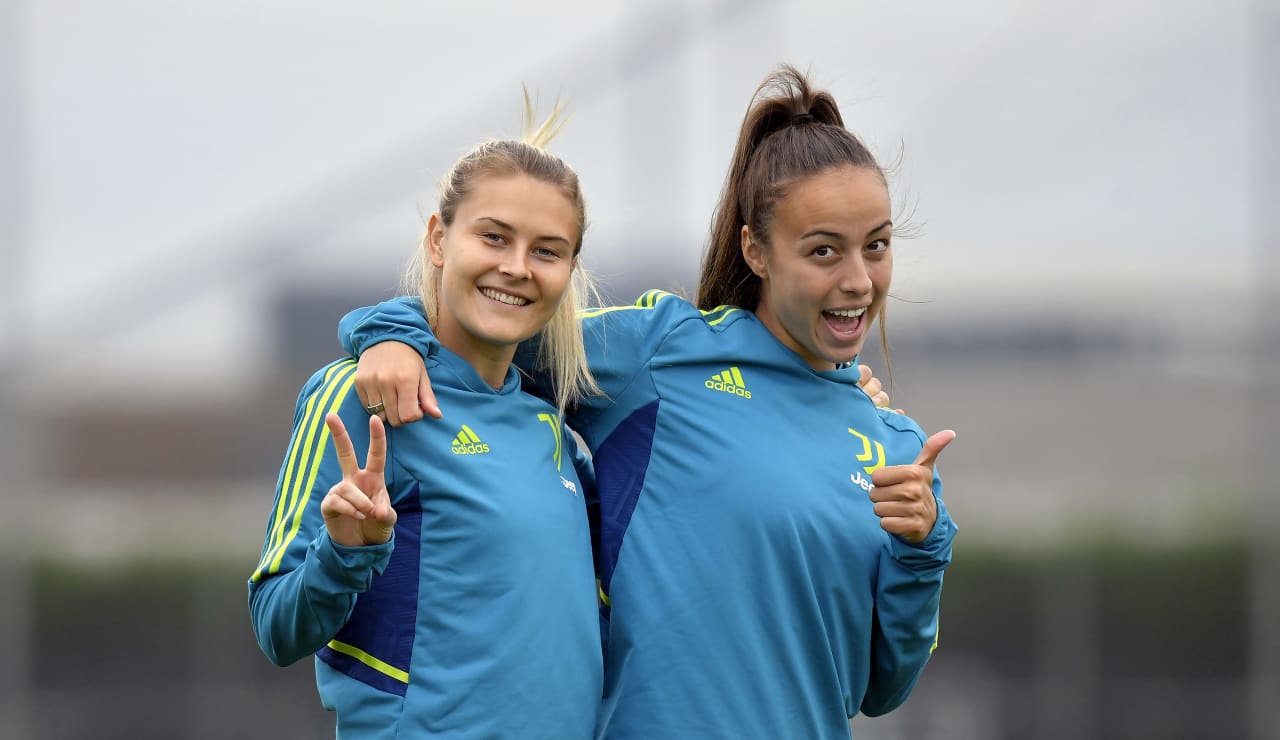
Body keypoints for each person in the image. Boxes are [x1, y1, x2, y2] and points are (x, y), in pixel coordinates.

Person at [340, 65, 957, 739]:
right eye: (823, 251)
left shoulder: (900, 450)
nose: (858, 280)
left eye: (877, 247)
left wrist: (923, 548)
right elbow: (487, 314)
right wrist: (388, 336)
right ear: (756, 249)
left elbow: (882, 689)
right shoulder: (662, 355)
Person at [248, 103, 606, 738]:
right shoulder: (361, 394)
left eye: (546, 250)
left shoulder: (553, 432)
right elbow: (276, 626)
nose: (517, 267)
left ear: (568, 272)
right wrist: (344, 553)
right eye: (493, 237)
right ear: (440, 239)